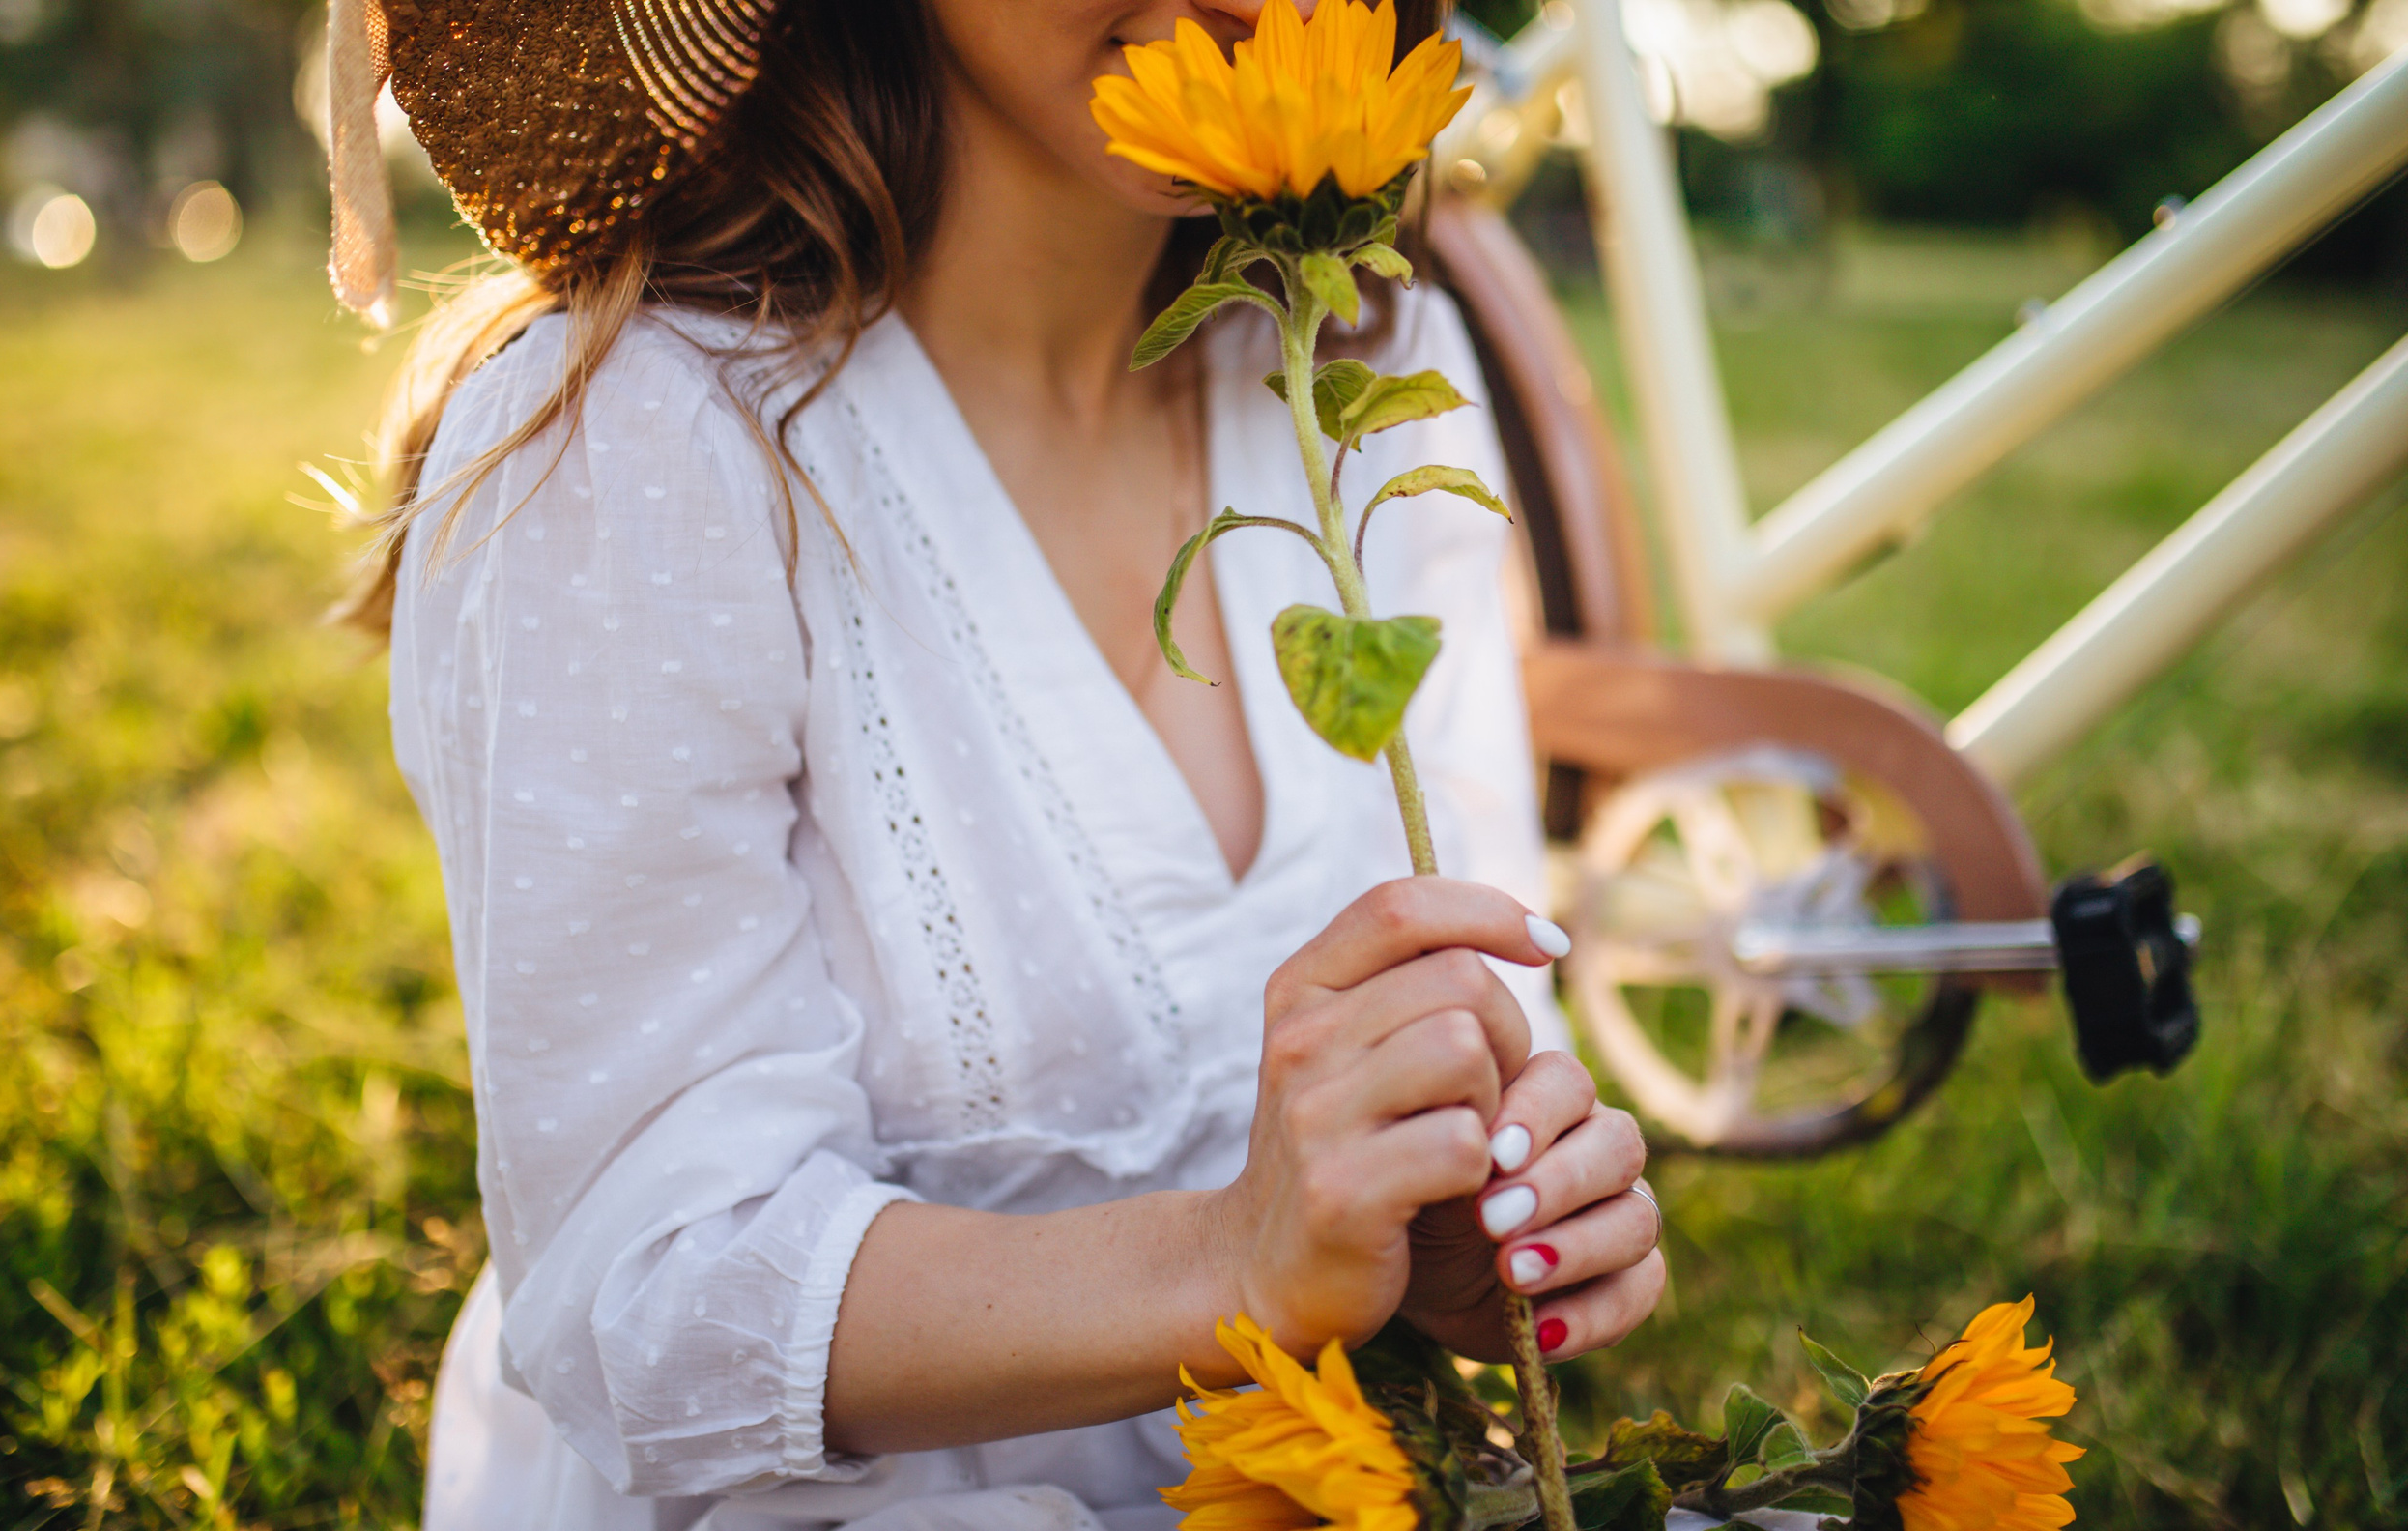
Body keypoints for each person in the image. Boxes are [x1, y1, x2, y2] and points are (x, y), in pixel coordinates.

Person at [335, 1, 1666, 1526]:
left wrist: (1471, 1218)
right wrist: (1233, 1259)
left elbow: (1489, 1011)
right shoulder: (641, 445)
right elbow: (651, 1296)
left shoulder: (1370, 369)